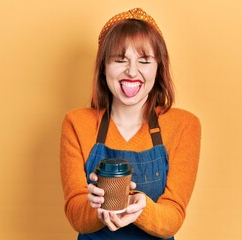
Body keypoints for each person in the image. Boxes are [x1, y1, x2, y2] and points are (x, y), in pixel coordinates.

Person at [60, 8, 201, 240]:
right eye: (120, 59)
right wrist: (97, 208)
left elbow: (173, 217)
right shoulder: (76, 123)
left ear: (158, 68)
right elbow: (76, 214)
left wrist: (141, 207)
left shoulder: (184, 125)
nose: (132, 72)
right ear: (104, 67)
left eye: (144, 60)